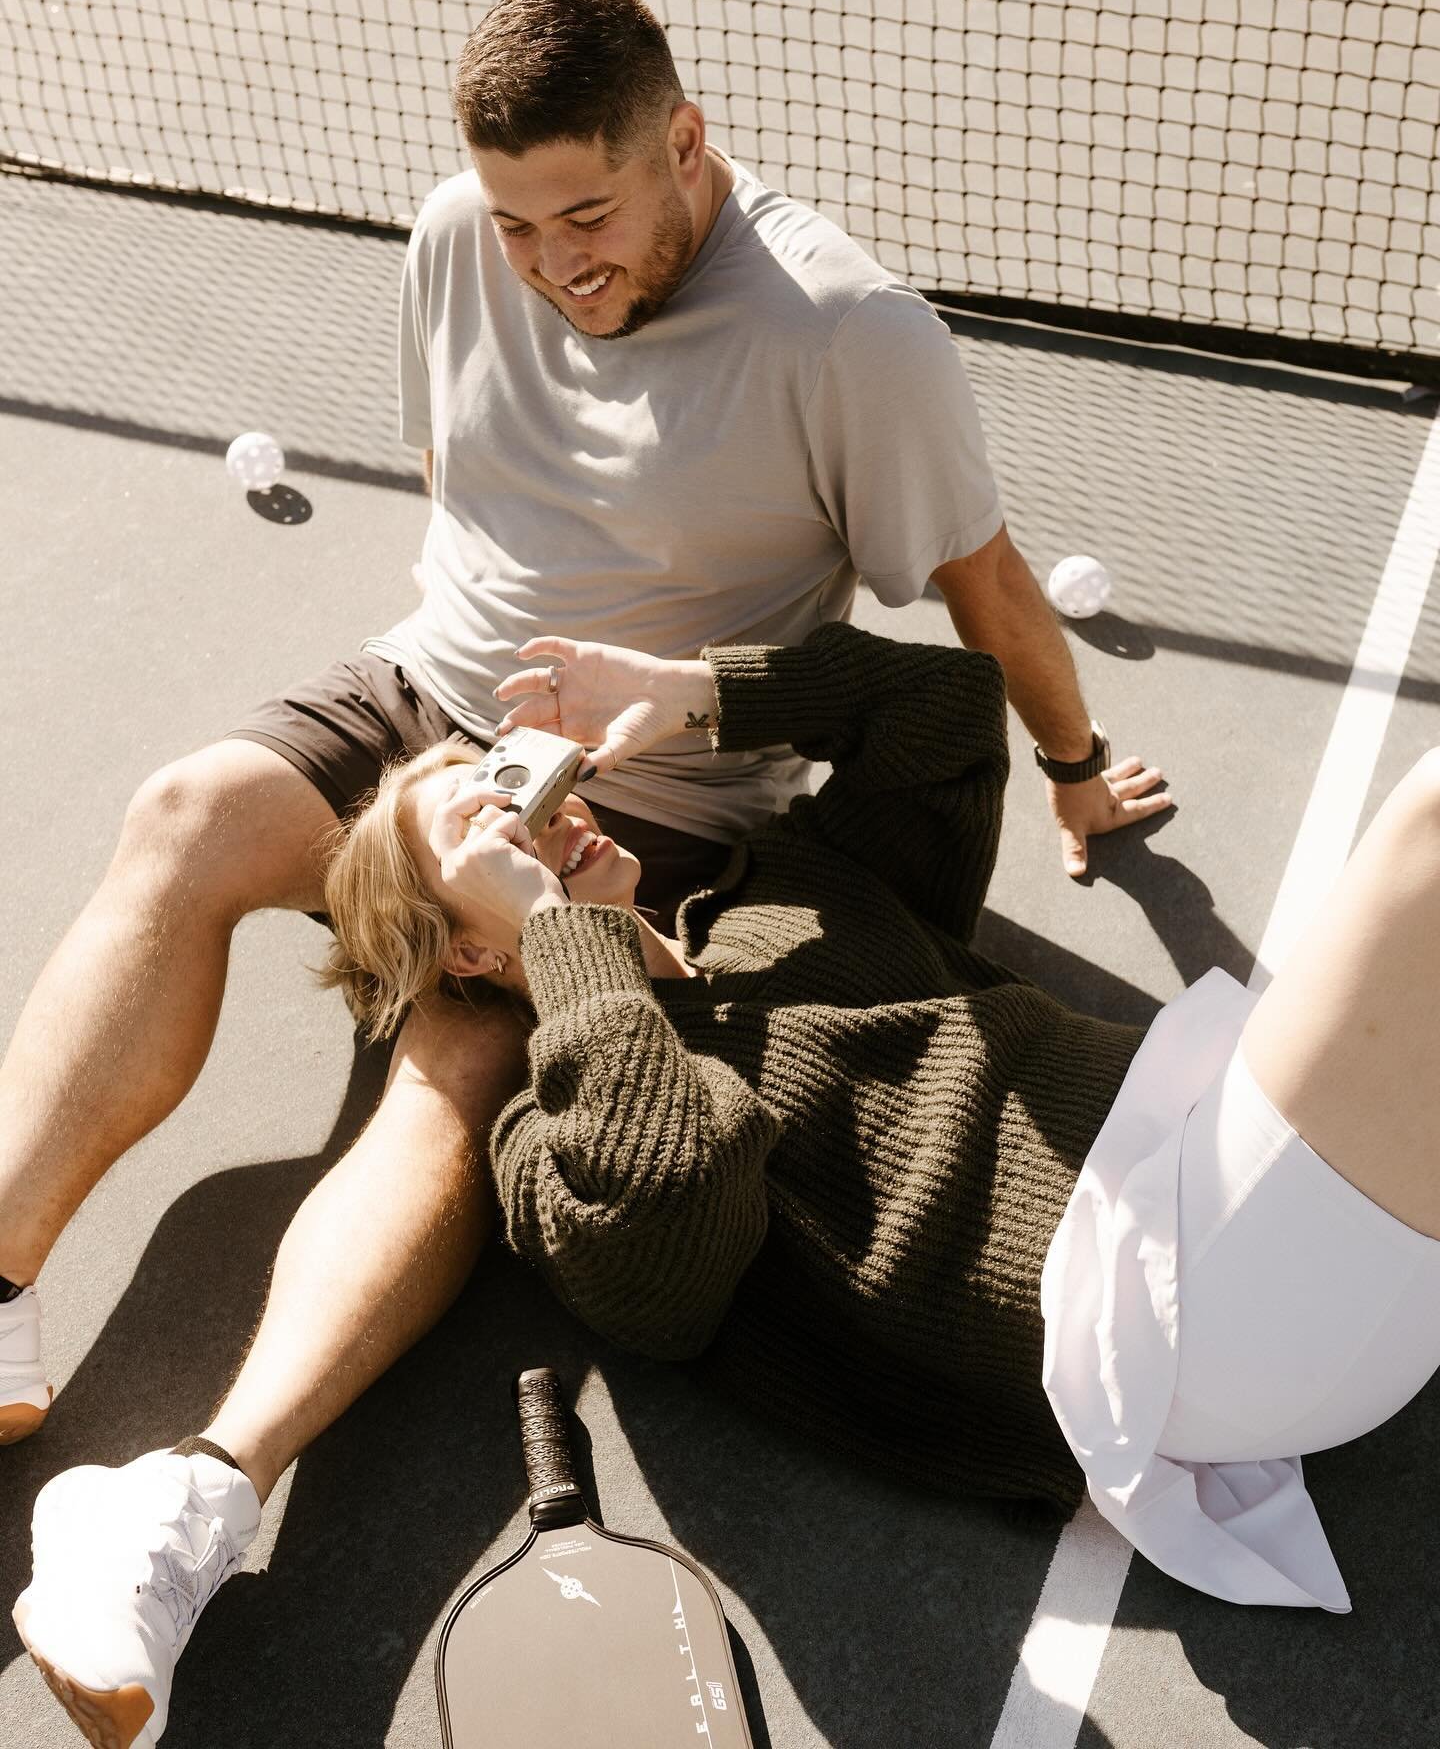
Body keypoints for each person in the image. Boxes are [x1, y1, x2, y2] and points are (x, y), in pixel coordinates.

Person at [5, 0, 1164, 1745]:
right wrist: (437, 743)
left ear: (684, 143)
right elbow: (452, 466)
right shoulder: (458, 233)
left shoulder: (851, 335)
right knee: (181, 818)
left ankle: (188, 1506)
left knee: (460, 1064)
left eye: (590, 215)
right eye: (518, 219)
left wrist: (1077, 775)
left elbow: (982, 592)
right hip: (433, 689)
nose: (551, 260)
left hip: (663, 794)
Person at [309, 623, 1440, 1622]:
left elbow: (947, 712)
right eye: (494, 837)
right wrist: (561, 928)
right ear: (468, 946)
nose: (537, 821)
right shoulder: (548, 1150)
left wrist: (694, 689)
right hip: (1176, 1314)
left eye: (523, 786)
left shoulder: (778, 903)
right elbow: (669, 1198)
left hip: (1265, 1185)